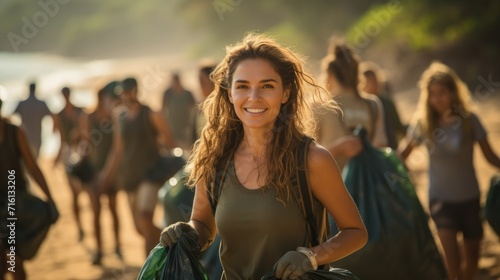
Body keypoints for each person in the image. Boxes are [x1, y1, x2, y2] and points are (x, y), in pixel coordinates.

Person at [159, 33, 367, 279]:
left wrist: (311, 256)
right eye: (243, 86)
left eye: (267, 86)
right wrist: (185, 232)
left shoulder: (311, 159)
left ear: (285, 93)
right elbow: (203, 227)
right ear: (229, 93)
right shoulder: (214, 160)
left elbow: (355, 232)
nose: (254, 97)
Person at [398, 62, 500, 280]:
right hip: (440, 200)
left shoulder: (469, 120)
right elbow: (401, 157)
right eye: (432, 94)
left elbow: (490, 156)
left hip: (470, 198)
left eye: (442, 92)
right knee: (452, 265)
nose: (437, 99)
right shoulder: (422, 124)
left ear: (453, 92)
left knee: (472, 260)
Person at [99, 77, 177, 256]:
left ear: (135, 90)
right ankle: (174, 242)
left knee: (144, 217)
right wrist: (107, 176)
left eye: (128, 91)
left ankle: (150, 269)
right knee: (140, 229)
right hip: (129, 177)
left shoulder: (151, 113)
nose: (125, 96)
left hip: (151, 175)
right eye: (122, 93)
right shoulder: (119, 116)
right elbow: (117, 149)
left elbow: (170, 142)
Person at [0, 90, 56, 280]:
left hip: (16, 206)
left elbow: (33, 167)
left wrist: (50, 198)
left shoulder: (15, 132)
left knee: (15, 260)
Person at [315, 41, 387, 170]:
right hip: (365, 184)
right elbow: (381, 145)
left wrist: (337, 149)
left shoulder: (320, 106)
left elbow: (307, 157)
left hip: (330, 187)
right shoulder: (373, 104)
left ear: (330, 74)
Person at [79, 82, 122, 265]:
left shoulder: (115, 117)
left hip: (111, 171)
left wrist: (108, 173)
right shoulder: (88, 116)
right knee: (96, 211)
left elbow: (117, 146)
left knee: (113, 209)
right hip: (94, 171)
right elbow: (86, 143)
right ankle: (99, 250)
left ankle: (118, 246)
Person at [52, 86, 85, 241]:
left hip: (82, 151)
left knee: (82, 191)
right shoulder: (58, 115)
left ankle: (82, 227)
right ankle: (80, 227)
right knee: (74, 194)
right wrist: (58, 157)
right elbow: (60, 138)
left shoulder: (80, 111)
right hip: (68, 154)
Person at [361, 61, 406, 150]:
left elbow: (399, 127)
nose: (374, 84)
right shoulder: (362, 106)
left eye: (375, 80)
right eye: (370, 81)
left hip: (391, 149)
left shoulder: (387, 102)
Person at [13, 82, 53, 158]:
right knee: (35, 159)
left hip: (24, 137)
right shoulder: (41, 103)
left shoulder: (22, 103)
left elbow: (11, 116)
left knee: (25, 160)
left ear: (29, 89)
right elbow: (52, 115)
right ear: (35, 89)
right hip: (37, 136)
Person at [161, 72, 196, 150]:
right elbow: (162, 110)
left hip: (185, 126)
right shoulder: (168, 93)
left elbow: (195, 109)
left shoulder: (187, 93)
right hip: (172, 126)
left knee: (187, 148)